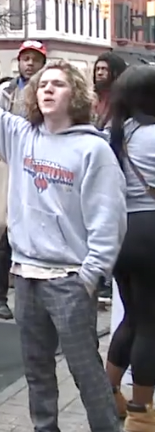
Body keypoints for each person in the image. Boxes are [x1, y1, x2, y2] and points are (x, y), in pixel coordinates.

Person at [0, 39, 125, 432]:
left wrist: (91, 275)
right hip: (27, 277)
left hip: (70, 280)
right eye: (43, 84)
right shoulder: (21, 135)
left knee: (87, 375)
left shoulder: (93, 150)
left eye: (58, 83)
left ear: (77, 95)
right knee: (37, 374)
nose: (48, 89)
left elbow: (109, 218)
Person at [105, 65, 155, 429]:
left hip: (122, 231)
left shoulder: (116, 133)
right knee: (152, 326)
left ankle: (109, 394)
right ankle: (142, 413)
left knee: (132, 318)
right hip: (152, 228)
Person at [0, 40, 47, 321]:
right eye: (25, 59)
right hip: (9, 162)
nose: (30, 64)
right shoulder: (7, 90)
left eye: (35, 59)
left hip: (38, 164)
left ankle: (35, 296)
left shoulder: (48, 89)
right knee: (2, 235)